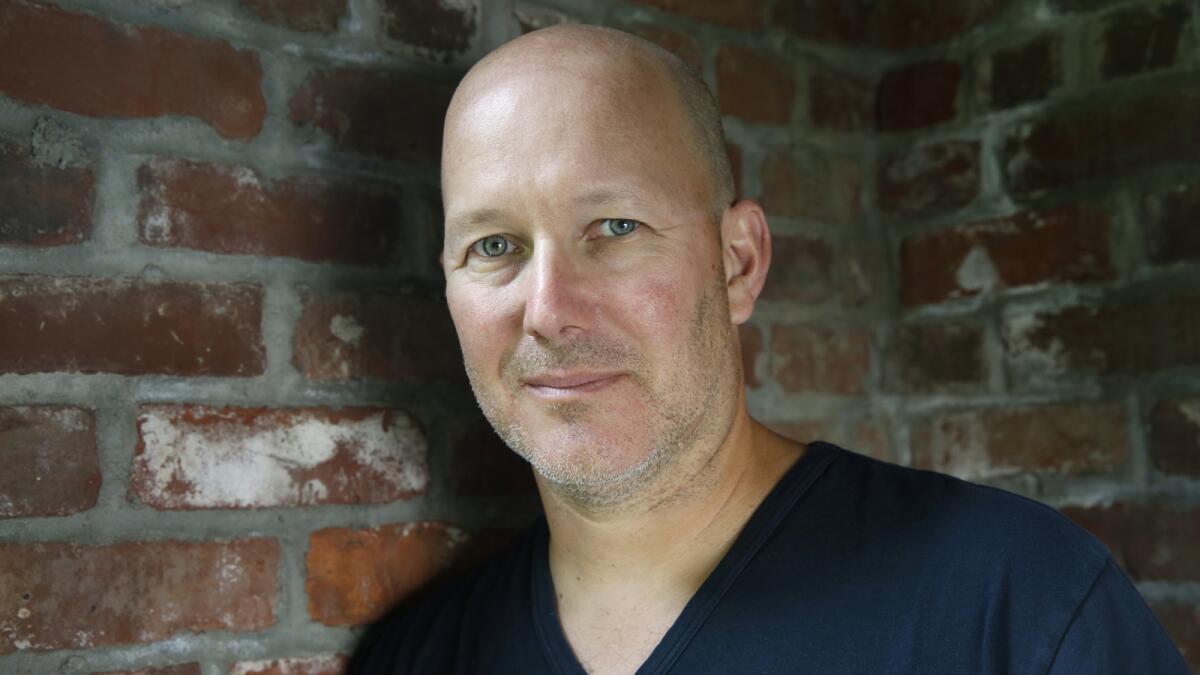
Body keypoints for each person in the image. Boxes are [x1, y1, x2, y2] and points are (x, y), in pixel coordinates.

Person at [348, 25, 1188, 674]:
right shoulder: (417, 657)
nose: (548, 309)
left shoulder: (1013, 603)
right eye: (493, 246)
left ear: (738, 262)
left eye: (614, 227)